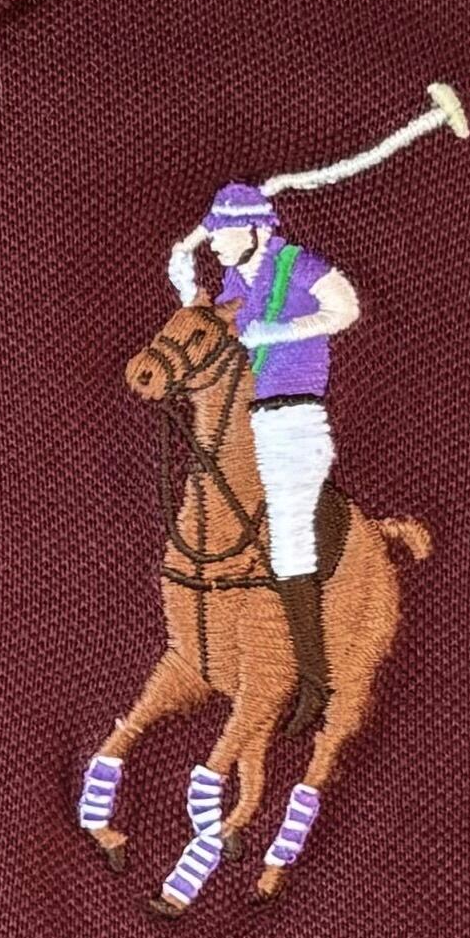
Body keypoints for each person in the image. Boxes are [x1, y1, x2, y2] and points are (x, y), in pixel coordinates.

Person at [172, 181, 362, 722]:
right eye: (212, 236)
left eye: (222, 234)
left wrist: (277, 332)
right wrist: (184, 267)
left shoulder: (295, 265)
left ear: (255, 230)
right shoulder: (237, 281)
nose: (216, 245)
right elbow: (209, 325)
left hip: (295, 418)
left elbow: (345, 308)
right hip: (252, 420)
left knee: (288, 541)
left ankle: (314, 680)